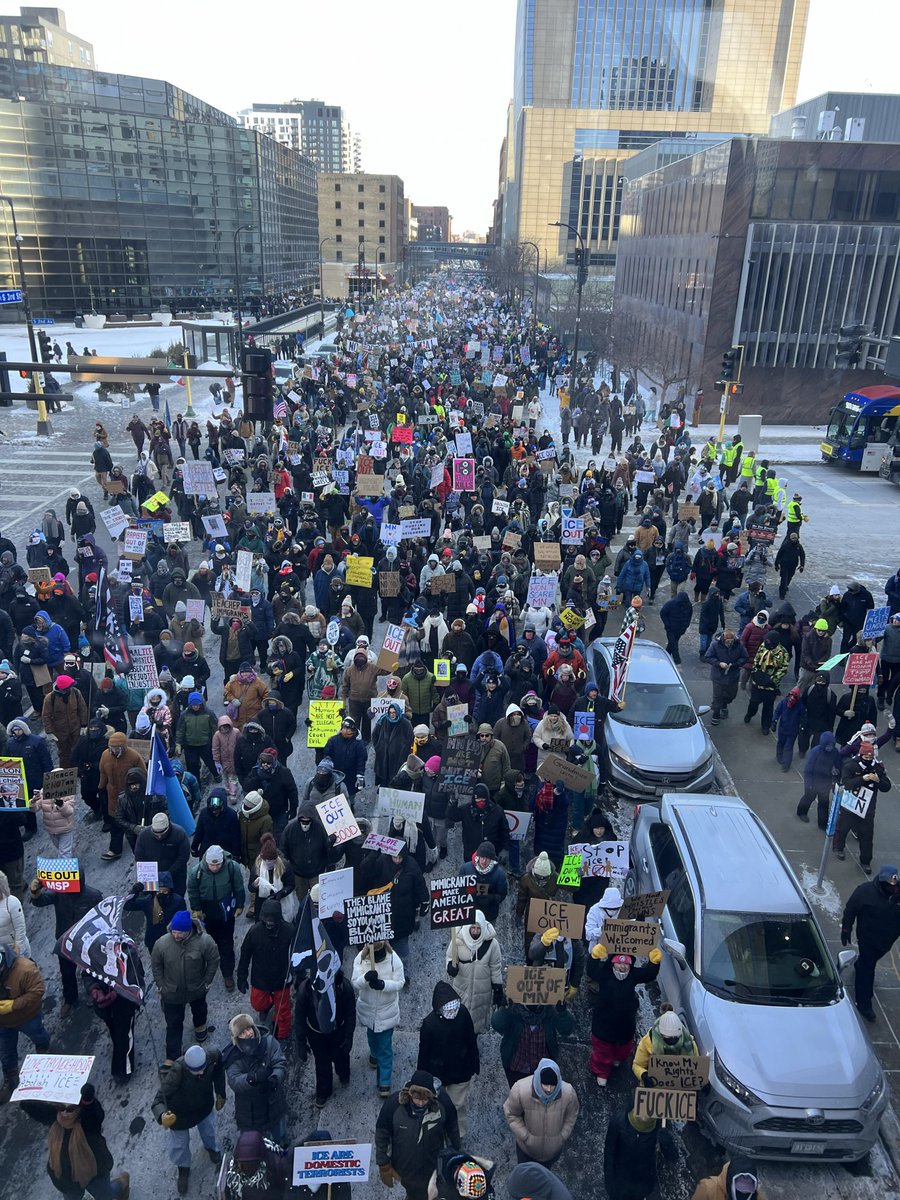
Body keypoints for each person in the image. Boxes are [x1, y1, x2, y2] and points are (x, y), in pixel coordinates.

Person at [22, 1083, 130, 1199]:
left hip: (94, 1172)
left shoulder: (86, 1122)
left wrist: (89, 1104)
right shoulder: (54, 1117)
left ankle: (121, 1185)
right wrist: (24, 1099)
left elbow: (95, 1116)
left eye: (70, 1109)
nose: (64, 1113)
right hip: (67, 1179)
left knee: (105, 1195)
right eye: (61, 1108)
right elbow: (38, 1111)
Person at [29, 863, 102, 1018]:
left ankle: (93, 991)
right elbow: (40, 901)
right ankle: (70, 999)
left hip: (85, 943)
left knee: (89, 969)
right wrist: (35, 891)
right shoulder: (59, 893)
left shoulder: (94, 896)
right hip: (65, 941)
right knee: (67, 973)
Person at [375, 1069, 460, 1200]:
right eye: (416, 1098)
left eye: (424, 1099)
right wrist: (384, 1164)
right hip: (406, 1168)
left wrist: (456, 1159)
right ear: (409, 1094)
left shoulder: (443, 1105)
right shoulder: (393, 1105)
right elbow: (382, 1135)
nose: (420, 1103)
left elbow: (452, 1132)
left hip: (434, 1167)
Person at [151, 1044, 225, 1195]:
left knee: (209, 1131)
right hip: (180, 1116)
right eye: (196, 1070)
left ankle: (211, 1148)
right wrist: (163, 1116)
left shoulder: (213, 1057)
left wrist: (220, 1093)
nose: (202, 1072)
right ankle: (183, 1168)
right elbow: (158, 1100)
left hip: (203, 1107)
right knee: (179, 1146)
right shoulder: (177, 1071)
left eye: (203, 1068)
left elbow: (218, 1072)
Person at [586, 943, 662, 1085]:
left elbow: (648, 975)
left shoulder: (633, 975)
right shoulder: (605, 973)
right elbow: (591, 971)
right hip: (604, 1023)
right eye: (619, 963)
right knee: (602, 1050)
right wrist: (594, 957)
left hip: (625, 1024)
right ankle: (602, 1071)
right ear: (613, 963)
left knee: (623, 1047)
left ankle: (617, 1059)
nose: (622, 967)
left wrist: (654, 962)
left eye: (626, 963)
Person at [151, 910, 219, 1064]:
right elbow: (156, 965)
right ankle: (172, 1056)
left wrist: (207, 982)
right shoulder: (162, 943)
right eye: (174, 932)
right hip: (171, 992)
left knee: (199, 1009)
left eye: (180, 932)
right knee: (173, 1024)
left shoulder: (204, 942)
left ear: (188, 930)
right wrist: (161, 985)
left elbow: (213, 960)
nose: (176, 935)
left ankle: (200, 1026)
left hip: (196, 988)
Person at [294, 945, 356, 1109]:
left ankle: (343, 1073)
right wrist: (300, 1042)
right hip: (316, 1034)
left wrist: (349, 1036)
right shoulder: (305, 991)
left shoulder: (344, 988)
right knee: (322, 1063)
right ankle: (323, 1090)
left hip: (338, 1030)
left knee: (342, 1056)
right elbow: (299, 1017)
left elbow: (350, 1014)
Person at [417, 981, 480, 1138]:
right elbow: (423, 1052)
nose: (453, 1011)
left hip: (461, 1070)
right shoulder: (429, 1024)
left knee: (457, 1105)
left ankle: (458, 1134)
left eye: (455, 1007)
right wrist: (422, 1077)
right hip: (438, 1073)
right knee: (438, 1106)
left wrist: (474, 1062)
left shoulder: (463, 1013)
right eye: (450, 1008)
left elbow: (471, 1039)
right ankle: (440, 1133)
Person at [841, 864, 900, 1022]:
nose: (892, 887)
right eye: (888, 884)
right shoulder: (865, 892)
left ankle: (860, 965)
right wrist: (846, 929)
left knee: (869, 962)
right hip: (868, 940)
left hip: (886, 941)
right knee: (867, 971)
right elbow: (850, 909)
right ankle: (864, 1002)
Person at [350, 939, 405, 1098]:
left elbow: (399, 982)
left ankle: (384, 1082)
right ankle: (373, 1054)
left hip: (386, 1011)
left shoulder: (394, 958)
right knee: (372, 1037)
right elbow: (355, 982)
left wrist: (383, 985)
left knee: (385, 1048)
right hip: (368, 1010)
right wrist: (366, 978)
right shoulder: (360, 958)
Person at [223, 1012, 289, 1141]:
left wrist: (275, 1079)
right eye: (242, 1032)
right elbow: (234, 1081)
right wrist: (252, 1078)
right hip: (250, 1111)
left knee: (280, 1135)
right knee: (254, 1143)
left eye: (249, 1028)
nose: (248, 1033)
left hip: (273, 1102)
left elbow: (280, 1063)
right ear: (237, 1037)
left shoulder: (269, 1043)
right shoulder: (233, 1057)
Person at [187, 844, 245, 991]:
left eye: (217, 864)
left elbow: (238, 887)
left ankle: (228, 974)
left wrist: (239, 905)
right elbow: (193, 891)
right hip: (207, 912)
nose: (214, 867)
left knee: (226, 943)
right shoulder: (196, 872)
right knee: (210, 942)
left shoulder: (233, 868)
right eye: (211, 865)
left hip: (226, 911)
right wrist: (196, 909)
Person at [502, 1059, 580, 1167]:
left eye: (553, 1085)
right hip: (526, 1151)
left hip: (552, 1153)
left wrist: (562, 1136)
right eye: (545, 1084)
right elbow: (511, 1114)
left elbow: (571, 1115)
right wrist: (525, 1136)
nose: (549, 1089)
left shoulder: (569, 1094)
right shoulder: (520, 1090)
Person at [237, 898, 295, 1041]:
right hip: (261, 977)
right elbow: (245, 954)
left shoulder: (290, 931)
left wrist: (297, 972)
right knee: (257, 1004)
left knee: (283, 1012)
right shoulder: (255, 932)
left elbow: (297, 954)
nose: (269, 924)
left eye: (272, 921)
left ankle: (281, 1035)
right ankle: (268, 1004)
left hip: (282, 977)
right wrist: (241, 976)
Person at [0, 941, 50, 1102]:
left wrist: (14, 1005)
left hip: (28, 1017)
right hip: (3, 1023)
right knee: (6, 1053)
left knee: (38, 1035)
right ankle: (11, 1080)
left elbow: (38, 991)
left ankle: (43, 1049)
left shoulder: (25, 969)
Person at [832, 740, 892, 874]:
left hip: (867, 808)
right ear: (861, 755)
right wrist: (862, 779)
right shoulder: (851, 766)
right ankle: (838, 847)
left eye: (871, 757)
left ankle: (865, 861)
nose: (869, 759)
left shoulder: (878, 768)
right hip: (851, 805)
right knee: (842, 829)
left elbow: (886, 787)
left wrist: (878, 780)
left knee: (866, 836)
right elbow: (846, 783)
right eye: (866, 757)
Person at [603, 1100, 677, 1200]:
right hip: (620, 1183)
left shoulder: (659, 1126)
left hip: (642, 1184)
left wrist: (667, 1142)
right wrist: (610, 1181)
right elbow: (609, 1153)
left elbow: (673, 1157)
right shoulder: (619, 1121)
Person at [632, 1010, 698, 1085]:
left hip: (680, 1087)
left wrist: (702, 1082)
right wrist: (643, 1075)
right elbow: (637, 1065)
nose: (672, 1040)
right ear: (661, 1035)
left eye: (675, 1037)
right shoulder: (647, 1043)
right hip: (653, 1087)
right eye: (669, 1038)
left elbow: (696, 1066)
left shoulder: (688, 1043)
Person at [796, 731, 841, 829]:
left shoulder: (835, 752)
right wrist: (808, 784)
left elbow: (838, 766)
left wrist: (836, 777)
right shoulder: (815, 752)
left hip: (826, 783)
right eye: (827, 745)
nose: (830, 747)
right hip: (813, 782)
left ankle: (822, 823)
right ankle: (801, 812)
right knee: (808, 798)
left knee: (824, 804)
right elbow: (808, 770)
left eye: (831, 745)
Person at [704, 628, 748, 725]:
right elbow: (707, 657)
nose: (729, 643)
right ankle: (716, 714)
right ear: (723, 638)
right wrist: (719, 663)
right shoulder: (715, 645)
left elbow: (745, 657)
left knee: (731, 695)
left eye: (731, 641)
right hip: (718, 676)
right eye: (727, 641)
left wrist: (736, 664)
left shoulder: (739, 645)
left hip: (732, 675)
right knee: (717, 696)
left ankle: (724, 704)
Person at [691, 1158, 767, 1200]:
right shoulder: (708, 1189)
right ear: (729, 1182)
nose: (743, 1195)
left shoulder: (757, 1197)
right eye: (739, 1190)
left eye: (747, 1192)